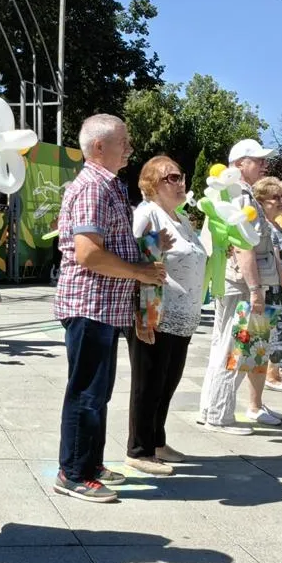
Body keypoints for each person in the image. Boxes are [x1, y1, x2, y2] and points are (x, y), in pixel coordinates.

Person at [51, 116, 163, 500]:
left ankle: (90, 463)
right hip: (89, 305)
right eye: (123, 141)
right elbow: (89, 254)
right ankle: (73, 474)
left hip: (104, 308)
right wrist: (140, 272)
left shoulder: (109, 185)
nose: (129, 147)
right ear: (99, 147)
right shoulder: (92, 188)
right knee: (86, 392)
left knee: (98, 393)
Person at [126, 155, 205, 475]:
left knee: (167, 382)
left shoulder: (180, 218)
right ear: (151, 184)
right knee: (148, 383)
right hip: (157, 313)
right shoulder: (148, 215)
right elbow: (138, 262)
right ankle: (139, 449)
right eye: (171, 177)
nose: (180, 182)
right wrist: (142, 316)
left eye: (181, 175)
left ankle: (157, 440)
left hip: (182, 315)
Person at [196, 139, 275, 429]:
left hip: (229, 279)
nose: (264, 165)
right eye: (259, 160)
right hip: (241, 282)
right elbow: (243, 246)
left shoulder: (228, 192)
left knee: (223, 346)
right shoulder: (239, 195)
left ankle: (210, 409)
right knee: (235, 349)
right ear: (240, 163)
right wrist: (255, 290)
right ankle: (220, 414)